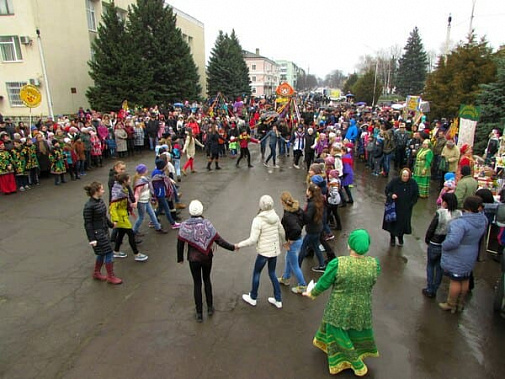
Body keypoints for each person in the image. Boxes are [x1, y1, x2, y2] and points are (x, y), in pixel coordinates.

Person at [302, 229, 380, 377]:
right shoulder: (374, 265)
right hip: (363, 306)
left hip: (339, 306)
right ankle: (324, 342)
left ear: (350, 246)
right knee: (355, 327)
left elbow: (323, 283)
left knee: (337, 329)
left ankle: (354, 363)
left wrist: (311, 292)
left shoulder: (339, 264)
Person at [177, 200, 238, 322]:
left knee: (197, 283)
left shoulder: (184, 226)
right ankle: (210, 308)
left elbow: (180, 243)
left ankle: (199, 314)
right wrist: (233, 247)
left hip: (193, 259)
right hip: (206, 257)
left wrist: (180, 258)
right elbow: (219, 240)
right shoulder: (207, 224)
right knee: (207, 280)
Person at [440, 196, 488, 312]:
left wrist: (444, 245)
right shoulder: (483, 220)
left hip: (458, 255)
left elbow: (453, 242)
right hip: (471, 252)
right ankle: (460, 303)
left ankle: (451, 304)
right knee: (465, 278)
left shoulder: (460, 223)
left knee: (455, 280)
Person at [240, 195, 286, 309]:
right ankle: (278, 299)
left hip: (264, 252)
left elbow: (253, 240)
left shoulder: (258, 220)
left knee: (257, 273)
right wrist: (284, 242)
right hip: (274, 251)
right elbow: (281, 230)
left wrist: (239, 245)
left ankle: (253, 297)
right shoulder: (275, 216)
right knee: (272, 273)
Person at [423, 193, 462, 298]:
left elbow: (432, 228)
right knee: (440, 267)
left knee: (431, 265)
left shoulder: (440, 213)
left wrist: (427, 239)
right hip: (448, 243)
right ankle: (435, 288)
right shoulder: (458, 214)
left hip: (435, 242)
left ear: (445, 202)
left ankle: (430, 288)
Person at [83, 181, 122, 284]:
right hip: (97, 233)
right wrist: (92, 239)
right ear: (96, 191)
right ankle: (110, 276)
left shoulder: (99, 201)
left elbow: (103, 216)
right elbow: (88, 224)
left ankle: (96, 272)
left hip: (104, 230)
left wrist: (111, 225)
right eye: (101, 189)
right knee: (109, 252)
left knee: (102, 252)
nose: (103, 191)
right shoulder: (89, 206)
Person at [109, 172, 149, 262]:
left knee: (121, 234)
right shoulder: (119, 193)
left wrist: (130, 205)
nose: (130, 181)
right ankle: (136, 254)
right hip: (121, 218)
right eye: (128, 180)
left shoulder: (121, 189)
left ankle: (116, 251)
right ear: (124, 181)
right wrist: (115, 220)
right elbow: (113, 208)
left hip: (123, 216)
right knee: (130, 234)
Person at [278, 191, 307, 294]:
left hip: (294, 242)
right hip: (299, 240)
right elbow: (305, 219)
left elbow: (296, 230)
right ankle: (286, 277)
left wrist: (290, 240)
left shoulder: (288, 215)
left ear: (282, 202)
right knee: (288, 258)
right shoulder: (297, 209)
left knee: (295, 265)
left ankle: (302, 285)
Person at [382, 168, 419, 247]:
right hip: (394, 207)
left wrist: (411, 203)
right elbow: (387, 190)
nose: (405, 178)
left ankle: (400, 237)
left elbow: (416, 195)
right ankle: (392, 238)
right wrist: (391, 195)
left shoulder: (413, 183)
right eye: (404, 176)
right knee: (393, 223)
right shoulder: (395, 181)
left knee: (402, 224)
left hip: (406, 209)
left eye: (407, 176)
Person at [298, 183, 327, 272]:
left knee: (303, 247)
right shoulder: (319, 200)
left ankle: (297, 266)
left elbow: (307, 218)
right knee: (315, 246)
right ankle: (322, 265)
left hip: (312, 230)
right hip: (318, 228)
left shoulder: (311, 204)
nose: (306, 191)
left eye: (307, 190)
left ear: (310, 192)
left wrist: (301, 212)